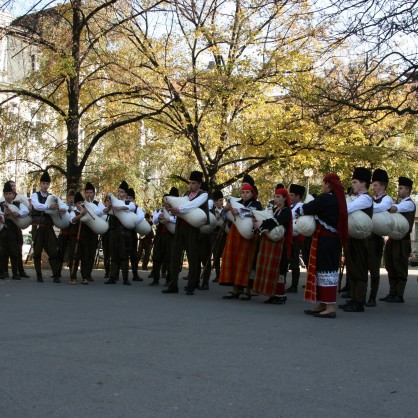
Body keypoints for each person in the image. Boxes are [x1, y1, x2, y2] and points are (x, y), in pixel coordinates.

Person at [299, 173, 348, 318]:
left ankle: (330, 307)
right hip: (328, 241)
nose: (322, 186)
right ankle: (322, 303)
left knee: (327, 271)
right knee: (321, 271)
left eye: (323, 183)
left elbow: (307, 208)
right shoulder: (336, 199)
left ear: (328, 184)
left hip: (327, 241)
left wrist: (299, 210)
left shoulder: (327, 199)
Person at [162, 171, 209, 295]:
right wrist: (171, 210)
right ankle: (173, 284)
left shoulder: (203, 195)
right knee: (175, 255)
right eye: (190, 183)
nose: (191, 185)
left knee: (193, 257)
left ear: (199, 184)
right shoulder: (186, 194)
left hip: (192, 229)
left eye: (194, 183)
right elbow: (179, 211)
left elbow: (192, 206)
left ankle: (191, 285)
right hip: (180, 227)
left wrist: (177, 209)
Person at [219, 182, 262, 300]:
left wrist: (240, 212)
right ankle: (235, 288)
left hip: (248, 237)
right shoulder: (236, 202)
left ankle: (247, 289)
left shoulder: (256, 204)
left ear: (252, 193)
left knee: (246, 261)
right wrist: (225, 210)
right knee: (234, 259)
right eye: (243, 192)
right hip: (234, 234)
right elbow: (223, 217)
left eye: (247, 192)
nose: (245, 195)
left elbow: (255, 214)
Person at [340, 167, 373, 313]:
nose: (352, 184)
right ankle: (353, 298)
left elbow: (348, 209)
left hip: (361, 239)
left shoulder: (365, 199)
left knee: (359, 269)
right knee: (352, 269)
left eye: (355, 182)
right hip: (353, 238)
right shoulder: (358, 198)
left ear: (363, 183)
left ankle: (359, 301)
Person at [253, 187, 292, 304]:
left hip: (280, 245)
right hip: (270, 243)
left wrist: (261, 224)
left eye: (278, 197)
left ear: (285, 199)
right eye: (275, 196)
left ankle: (280, 295)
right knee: (269, 268)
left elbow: (276, 222)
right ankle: (272, 294)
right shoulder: (274, 209)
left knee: (279, 269)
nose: (275, 199)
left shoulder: (286, 211)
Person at [380, 177, 416, 303]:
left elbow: (394, 209)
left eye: (401, 188)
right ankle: (392, 293)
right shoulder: (400, 202)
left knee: (400, 267)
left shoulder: (409, 204)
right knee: (390, 266)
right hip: (393, 239)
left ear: (408, 190)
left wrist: (385, 205)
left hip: (402, 240)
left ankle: (399, 295)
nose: (398, 190)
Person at [31, 171, 68, 283]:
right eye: (43, 183)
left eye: (47, 184)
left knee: (53, 252)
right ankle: (39, 276)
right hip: (38, 227)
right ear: (40, 184)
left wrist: (62, 209)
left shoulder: (52, 196)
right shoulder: (34, 195)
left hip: (48, 227)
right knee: (37, 252)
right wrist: (48, 206)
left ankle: (56, 275)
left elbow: (64, 205)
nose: (45, 186)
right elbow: (37, 206)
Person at [366, 169, 393, 307]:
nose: (373, 188)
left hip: (376, 238)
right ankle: (361, 295)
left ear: (383, 186)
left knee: (374, 267)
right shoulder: (372, 199)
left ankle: (372, 296)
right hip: (366, 236)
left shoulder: (387, 199)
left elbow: (380, 208)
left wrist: (367, 205)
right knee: (364, 266)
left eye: (376, 185)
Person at [103, 180, 136, 285]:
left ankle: (125, 279)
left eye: (122, 192)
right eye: (118, 191)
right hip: (113, 231)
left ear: (126, 194)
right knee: (113, 254)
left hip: (124, 233)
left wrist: (121, 207)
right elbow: (103, 211)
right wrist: (109, 206)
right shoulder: (113, 202)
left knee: (124, 255)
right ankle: (112, 277)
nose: (119, 194)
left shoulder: (128, 203)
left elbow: (132, 207)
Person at [0, 182, 30, 280]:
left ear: (13, 194)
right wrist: (4, 214)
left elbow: (26, 211)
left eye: (10, 194)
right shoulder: (1, 205)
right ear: (4, 194)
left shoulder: (18, 204)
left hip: (13, 231)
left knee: (14, 251)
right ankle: (2, 272)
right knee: (2, 252)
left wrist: (18, 213)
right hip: (3, 231)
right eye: (7, 194)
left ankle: (15, 273)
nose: (9, 196)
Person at [149, 188, 177, 286]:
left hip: (171, 237)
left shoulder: (177, 210)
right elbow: (154, 221)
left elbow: (178, 219)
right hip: (160, 236)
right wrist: (159, 217)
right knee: (156, 257)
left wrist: (168, 219)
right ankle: (156, 278)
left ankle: (169, 280)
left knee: (169, 258)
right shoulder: (160, 210)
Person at [84, 182, 105, 282]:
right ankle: (84, 273)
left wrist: (92, 208)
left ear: (94, 194)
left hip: (93, 231)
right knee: (84, 253)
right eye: (87, 192)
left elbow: (101, 212)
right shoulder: (82, 203)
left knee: (91, 253)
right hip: (84, 231)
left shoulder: (98, 204)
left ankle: (88, 273)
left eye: (91, 192)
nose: (89, 194)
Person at [67, 192, 90, 285]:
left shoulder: (87, 211)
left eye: (82, 202)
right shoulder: (73, 212)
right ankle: (73, 277)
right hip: (75, 237)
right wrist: (81, 215)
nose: (81, 204)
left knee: (85, 257)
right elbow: (72, 220)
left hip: (84, 237)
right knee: (74, 257)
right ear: (76, 204)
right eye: (79, 203)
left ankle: (85, 277)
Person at [286, 184, 305, 293]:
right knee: (291, 260)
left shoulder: (300, 206)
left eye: (292, 195)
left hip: (297, 237)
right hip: (291, 236)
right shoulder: (292, 206)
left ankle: (294, 285)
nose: (290, 197)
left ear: (298, 196)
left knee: (294, 261)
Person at [57, 189, 76, 277]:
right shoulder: (64, 206)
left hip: (72, 234)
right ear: (67, 198)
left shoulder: (76, 208)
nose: (71, 199)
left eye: (73, 198)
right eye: (70, 198)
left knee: (72, 254)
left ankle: (72, 274)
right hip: (64, 233)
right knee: (60, 253)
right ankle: (57, 272)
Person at [127, 188, 145, 281]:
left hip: (132, 233)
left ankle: (135, 274)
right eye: (127, 197)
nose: (128, 199)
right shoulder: (122, 206)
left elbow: (141, 217)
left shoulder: (137, 208)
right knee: (121, 254)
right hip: (122, 233)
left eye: (130, 198)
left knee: (133, 255)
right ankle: (115, 275)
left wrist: (132, 221)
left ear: (133, 199)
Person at [210, 190, 227, 283]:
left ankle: (224, 275)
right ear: (215, 201)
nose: (221, 202)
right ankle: (218, 275)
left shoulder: (225, 209)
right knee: (216, 255)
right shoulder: (211, 210)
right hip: (214, 235)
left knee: (224, 255)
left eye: (222, 200)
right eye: (220, 200)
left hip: (224, 235)